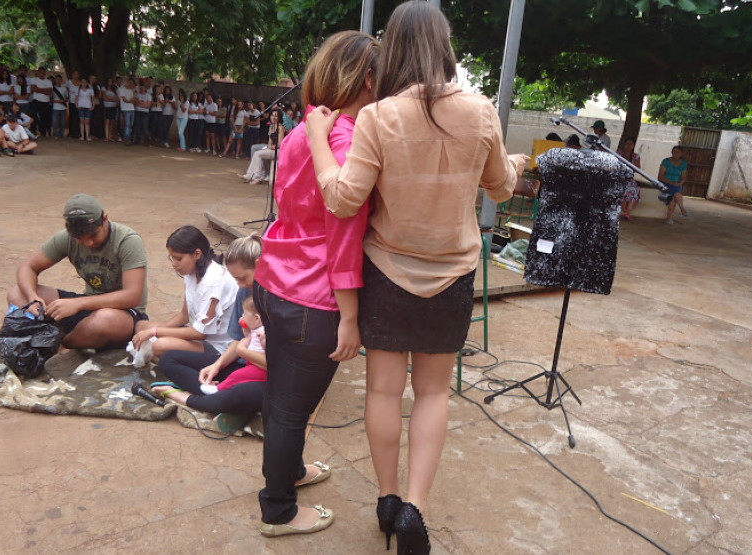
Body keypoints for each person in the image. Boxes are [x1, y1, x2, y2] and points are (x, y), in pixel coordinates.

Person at [305, 3, 527, 551]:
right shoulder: (480, 112)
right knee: (432, 395)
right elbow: (501, 189)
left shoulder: (378, 117)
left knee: (383, 389)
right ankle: (414, 511)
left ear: (395, 47)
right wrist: (518, 163)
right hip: (450, 277)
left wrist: (315, 139)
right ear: (445, 45)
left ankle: (385, 498)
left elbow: (342, 198)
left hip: (384, 272)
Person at [254, 29, 379, 539]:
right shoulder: (346, 142)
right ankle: (278, 510)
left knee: (281, 397)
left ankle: (292, 474)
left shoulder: (304, 129)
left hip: (274, 278)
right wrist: (350, 317)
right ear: (368, 78)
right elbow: (344, 240)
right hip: (314, 298)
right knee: (291, 407)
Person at [6, 193, 149, 349]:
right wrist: (33, 297)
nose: (88, 242)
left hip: (124, 314)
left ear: (105, 219)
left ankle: (62, 345)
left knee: (104, 320)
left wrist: (79, 303)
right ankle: (64, 337)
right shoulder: (65, 238)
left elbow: (132, 296)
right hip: (87, 305)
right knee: (17, 295)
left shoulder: (127, 241)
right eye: (80, 238)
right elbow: (28, 267)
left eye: (94, 235)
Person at [153, 235, 262, 421]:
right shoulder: (244, 292)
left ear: (260, 265)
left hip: (262, 372)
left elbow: (276, 363)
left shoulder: (279, 299)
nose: (241, 286)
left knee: (239, 394)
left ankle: (181, 396)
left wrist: (244, 350)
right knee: (168, 359)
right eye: (236, 280)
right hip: (240, 367)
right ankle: (218, 397)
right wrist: (216, 366)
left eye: (243, 278)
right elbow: (237, 341)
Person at [130, 225, 238, 358]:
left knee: (160, 345)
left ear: (197, 254)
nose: (174, 264)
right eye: (172, 258)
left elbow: (201, 333)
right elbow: (184, 315)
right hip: (200, 336)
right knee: (141, 326)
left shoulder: (213, 282)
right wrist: (154, 332)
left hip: (218, 347)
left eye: (178, 258)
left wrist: (156, 332)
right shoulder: (191, 273)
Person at [240, 110, 285, 185]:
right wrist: (268, 147)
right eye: (272, 115)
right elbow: (269, 142)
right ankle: (250, 175)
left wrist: (271, 147)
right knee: (257, 153)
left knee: (258, 154)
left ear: (279, 117)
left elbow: (280, 143)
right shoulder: (272, 127)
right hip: (272, 149)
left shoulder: (281, 127)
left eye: (276, 116)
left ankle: (256, 176)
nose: (273, 117)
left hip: (278, 151)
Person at [659, 145, 690, 224]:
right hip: (665, 184)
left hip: (676, 184)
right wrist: (671, 182)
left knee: (677, 194)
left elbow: (683, 177)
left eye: (677, 152)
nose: (675, 154)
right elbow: (660, 176)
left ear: (681, 154)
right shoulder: (666, 161)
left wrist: (680, 183)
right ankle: (682, 210)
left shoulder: (683, 164)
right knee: (673, 198)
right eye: (674, 152)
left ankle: (671, 217)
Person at [618, 136, 641, 221]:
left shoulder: (636, 157)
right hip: (619, 177)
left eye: (631, 144)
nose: (629, 146)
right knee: (621, 190)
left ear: (633, 145)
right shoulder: (618, 154)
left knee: (634, 190)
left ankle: (627, 212)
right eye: (627, 144)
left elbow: (638, 169)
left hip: (629, 178)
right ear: (624, 145)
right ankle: (625, 212)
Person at [118, 78, 135, 144]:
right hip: (125, 109)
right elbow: (124, 99)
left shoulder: (131, 90)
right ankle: (126, 138)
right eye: (130, 83)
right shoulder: (122, 89)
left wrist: (133, 92)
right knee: (127, 124)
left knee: (131, 124)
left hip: (132, 108)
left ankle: (129, 137)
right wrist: (130, 101)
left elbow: (133, 100)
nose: (131, 84)